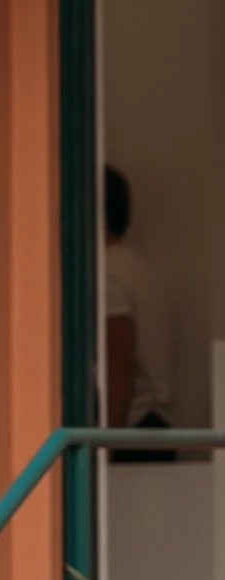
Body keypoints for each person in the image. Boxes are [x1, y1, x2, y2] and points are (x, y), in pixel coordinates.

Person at [103, 163, 174, 459]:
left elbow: (119, 356)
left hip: (130, 430)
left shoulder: (107, 272)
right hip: (157, 426)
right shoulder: (140, 270)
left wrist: (107, 443)